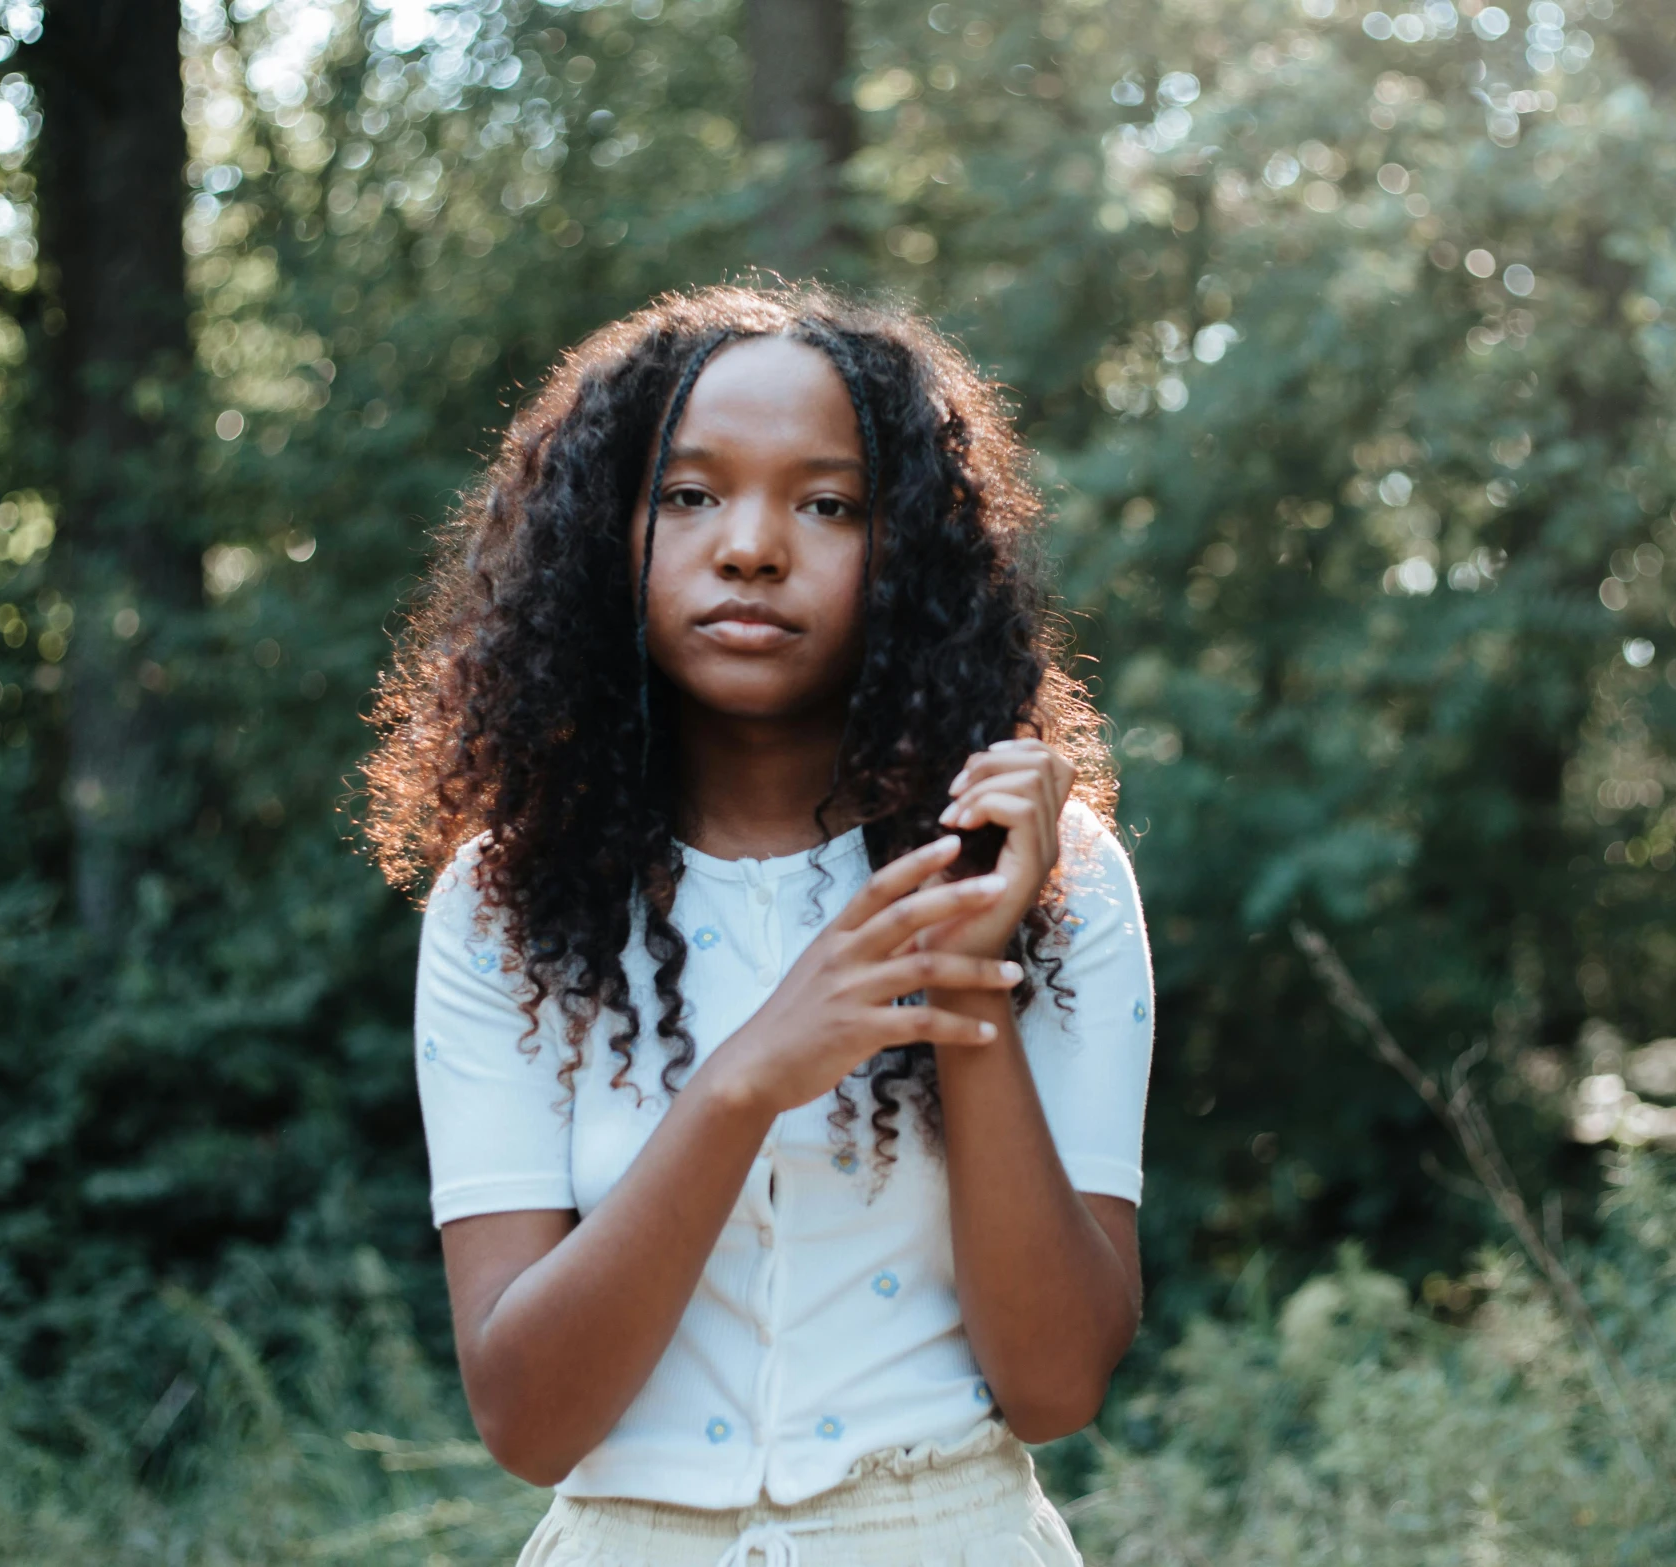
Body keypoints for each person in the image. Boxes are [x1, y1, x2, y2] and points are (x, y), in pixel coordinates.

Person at [362, 282, 1155, 1566]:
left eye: (828, 503)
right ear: (605, 536)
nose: (751, 546)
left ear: (911, 553)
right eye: (689, 494)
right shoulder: (509, 899)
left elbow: (1057, 1387)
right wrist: (744, 1080)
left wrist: (965, 964)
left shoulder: (1055, 878)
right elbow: (526, 1419)